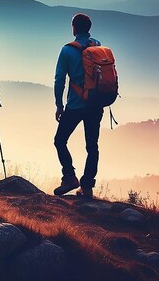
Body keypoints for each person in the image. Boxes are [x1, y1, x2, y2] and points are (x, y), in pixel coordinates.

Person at [53, 13, 104, 199]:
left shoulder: (67, 51)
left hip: (75, 105)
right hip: (95, 105)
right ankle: (87, 187)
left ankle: (69, 176)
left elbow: (60, 80)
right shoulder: (98, 45)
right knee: (92, 146)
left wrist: (59, 105)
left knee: (60, 140)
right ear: (89, 28)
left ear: (74, 27)